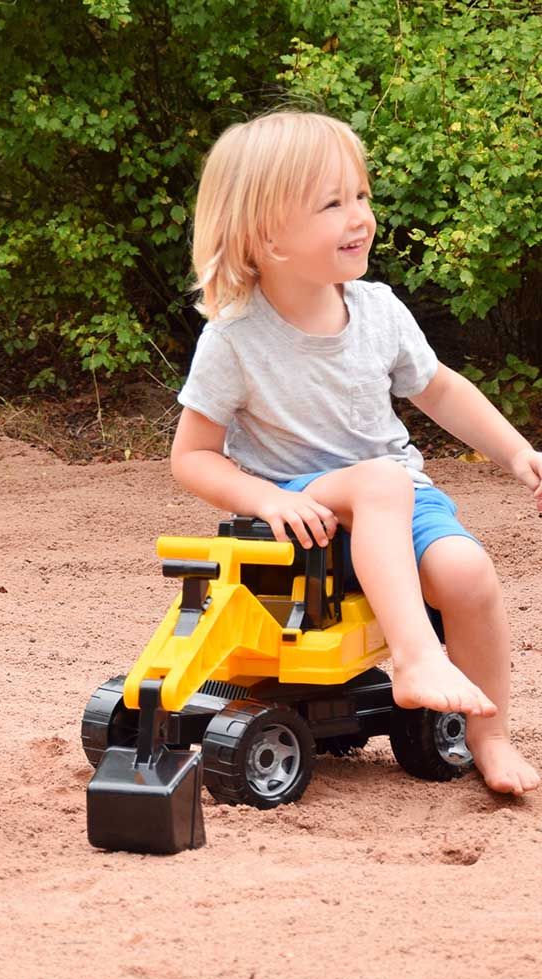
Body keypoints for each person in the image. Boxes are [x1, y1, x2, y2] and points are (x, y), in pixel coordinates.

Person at [171, 110, 540, 795]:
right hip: (307, 517)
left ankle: (489, 738)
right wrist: (267, 497)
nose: (360, 216)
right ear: (268, 237)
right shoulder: (235, 339)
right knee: (380, 483)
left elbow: (441, 390)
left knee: (470, 574)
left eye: (362, 196)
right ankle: (414, 657)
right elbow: (192, 456)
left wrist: (516, 452)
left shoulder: (378, 311)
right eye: (333, 203)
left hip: (397, 500)